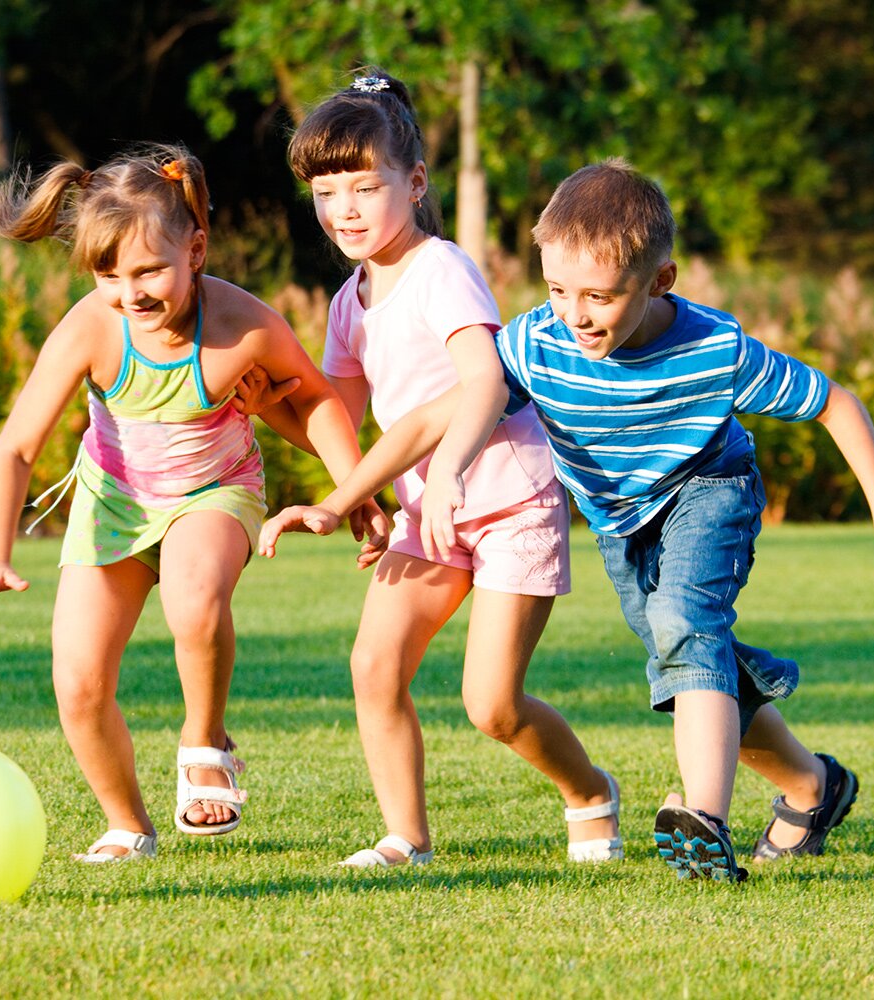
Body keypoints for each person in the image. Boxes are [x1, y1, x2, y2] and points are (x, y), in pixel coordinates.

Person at [261, 159, 874, 881]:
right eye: (557, 290)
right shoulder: (540, 341)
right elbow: (437, 415)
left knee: (685, 625)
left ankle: (705, 822)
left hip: (708, 489)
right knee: (692, 659)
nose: (577, 314)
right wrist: (341, 499)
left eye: (600, 296)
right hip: (621, 522)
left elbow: (835, 402)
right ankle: (812, 785)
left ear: (660, 281)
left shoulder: (716, 350)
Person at [0, 143, 387, 862]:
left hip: (215, 493)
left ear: (195, 250)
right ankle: (128, 824)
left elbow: (314, 399)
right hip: (115, 508)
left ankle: (204, 740)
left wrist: (355, 492)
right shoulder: (93, 329)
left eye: (149, 270)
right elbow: (14, 449)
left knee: (192, 600)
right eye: (109, 274)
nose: (131, 293)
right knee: (78, 683)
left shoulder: (241, 324)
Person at [257, 72, 619, 868]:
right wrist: (260, 407)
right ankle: (405, 838)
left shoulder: (442, 268)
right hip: (430, 510)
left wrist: (445, 469)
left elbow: (483, 381)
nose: (344, 209)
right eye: (325, 192)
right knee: (374, 664)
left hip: (507, 498)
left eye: (364, 186)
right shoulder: (350, 300)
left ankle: (590, 792)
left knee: (491, 704)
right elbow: (337, 425)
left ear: (414, 183)